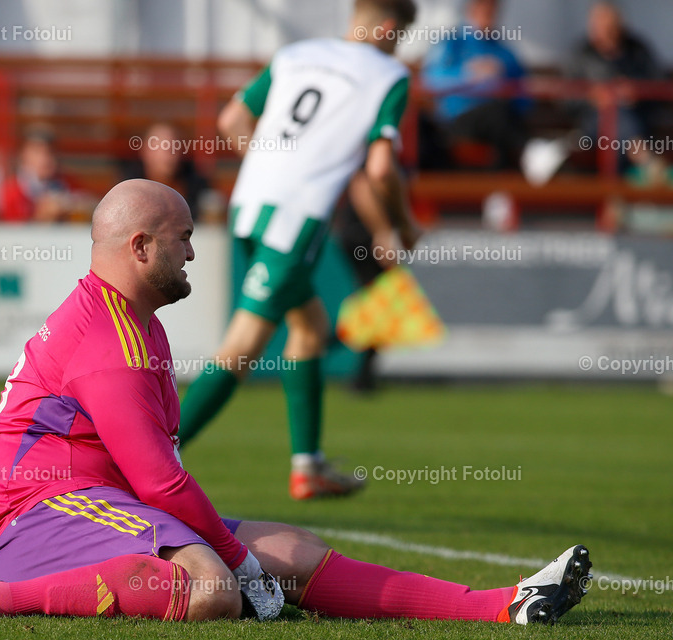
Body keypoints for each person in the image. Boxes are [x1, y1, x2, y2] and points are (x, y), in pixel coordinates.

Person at [0, 178, 592, 627]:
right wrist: (233, 558)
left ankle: (504, 606)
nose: (192, 254)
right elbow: (160, 479)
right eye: (182, 238)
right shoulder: (108, 337)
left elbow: (152, 476)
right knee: (214, 588)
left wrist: (242, 555)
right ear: (139, 245)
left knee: (295, 552)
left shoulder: (135, 319)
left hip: (101, 505)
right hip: (37, 518)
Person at [177, 0, 421, 500]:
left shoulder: (295, 54)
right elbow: (379, 169)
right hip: (295, 220)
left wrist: (272, 167)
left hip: (248, 206)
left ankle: (308, 466)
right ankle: (149, 460)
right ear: (390, 28)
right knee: (243, 345)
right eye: (400, 36)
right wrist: (403, 223)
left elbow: (231, 120)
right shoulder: (388, 74)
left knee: (308, 326)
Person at [420, 0, 566, 184]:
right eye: (481, 7)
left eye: (491, 9)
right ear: (471, 9)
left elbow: (524, 95)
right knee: (497, 115)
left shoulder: (503, 51)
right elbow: (431, 81)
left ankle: (501, 193)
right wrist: (467, 74)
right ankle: (531, 151)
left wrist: (503, 82)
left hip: (500, 121)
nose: (487, 14)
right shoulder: (452, 43)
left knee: (499, 122)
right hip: (458, 119)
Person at [567, 2, 668, 181]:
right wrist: (593, 97)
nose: (602, 27)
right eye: (597, 22)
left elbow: (658, 87)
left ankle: (614, 197)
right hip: (593, 126)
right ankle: (645, 160)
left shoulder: (638, 51)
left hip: (636, 120)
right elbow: (566, 100)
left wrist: (635, 91)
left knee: (617, 118)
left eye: (607, 22)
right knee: (613, 117)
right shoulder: (582, 54)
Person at [121, 122, 210, 220]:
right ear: (145, 151)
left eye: (174, 147)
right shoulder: (128, 187)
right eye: (163, 147)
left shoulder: (196, 185)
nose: (170, 155)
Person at [0, 133, 81, 222]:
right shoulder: (10, 191)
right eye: (37, 152)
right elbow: (9, 231)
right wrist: (40, 216)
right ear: (23, 155)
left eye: (50, 152)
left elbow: (86, 202)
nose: (45, 158)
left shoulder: (66, 183)